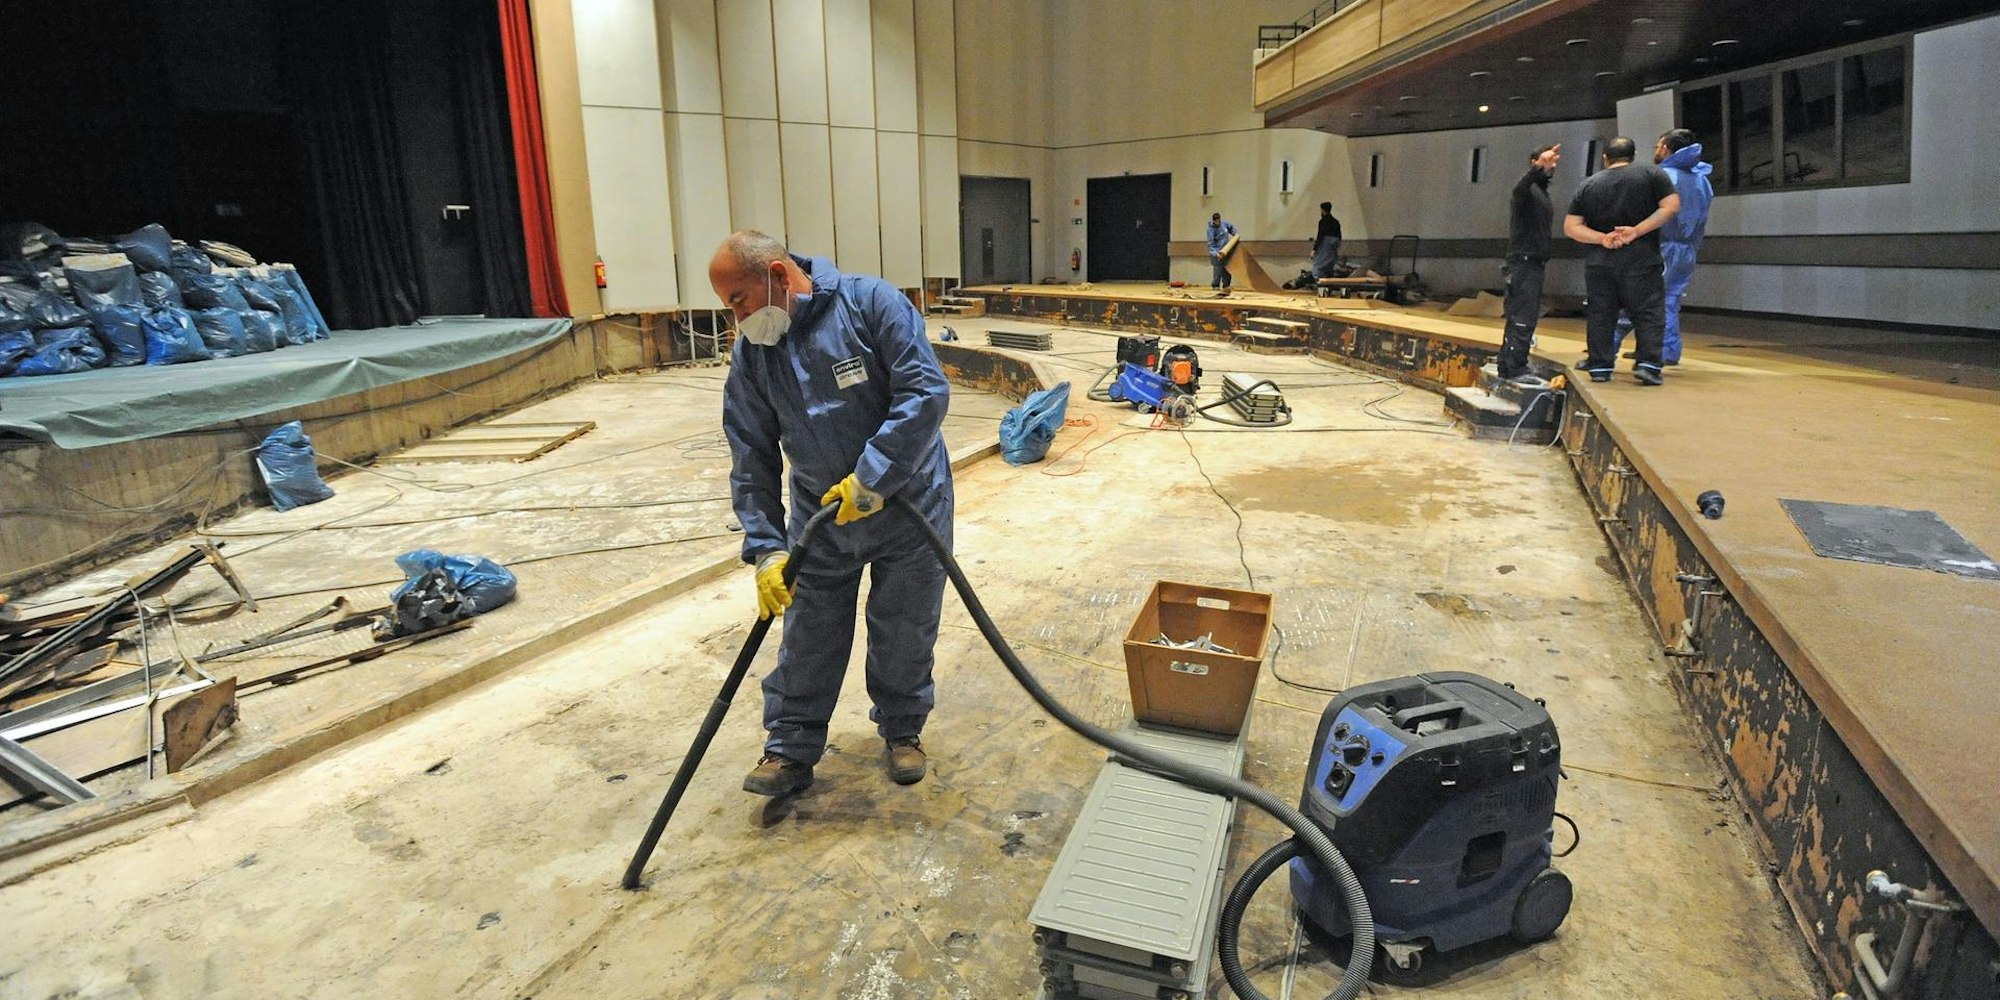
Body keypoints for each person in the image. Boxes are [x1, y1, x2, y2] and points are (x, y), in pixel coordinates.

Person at [712, 230, 955, 797]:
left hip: (908, 504)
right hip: (820, 518)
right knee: (808, 631)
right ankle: (790, 746)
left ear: (777, 274)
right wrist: (768, 548)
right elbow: (750, 454)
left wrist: (873, 476)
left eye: (738, 301)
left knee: (904, 625)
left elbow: (925, 393)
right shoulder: (755, 354)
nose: (736, 320)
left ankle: (902, 730)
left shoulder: (870, 304)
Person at [1564, 137, 1680, 385]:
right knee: (1648, 311)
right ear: (1633, 154)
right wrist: (1637, 231)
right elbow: (1671, 206)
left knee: (1601, 314)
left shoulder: (1589, 184)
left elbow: (1571, 227)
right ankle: (1648, 365)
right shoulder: (1652, 174)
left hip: (1600, 262)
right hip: (1642, 258)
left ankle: (1600, 366)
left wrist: (1602, 238)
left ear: (1605, 157)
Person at [1614, 129, 1714, 365]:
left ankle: (1607, 345)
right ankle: (1664, 350)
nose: (1656, 150)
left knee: (1637, 299)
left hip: (1661, 247)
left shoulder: (1663, 177)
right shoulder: (1701, 179)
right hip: (1687, 250)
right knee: (1669, 299)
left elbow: (1649, 213)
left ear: (1666, 149)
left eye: (1658, 146)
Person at [1496, 143, 1561, 386]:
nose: (1552, 167)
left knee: (1521, 315)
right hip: (1524, 262)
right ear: (1534, 162)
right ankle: (1515, 367)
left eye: (1554, 163)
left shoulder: (1542, 192)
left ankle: (1509, 363)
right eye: (1547, 163)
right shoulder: (1529, 189)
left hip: (1532, 262)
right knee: (1523, 316)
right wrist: (1536, 169)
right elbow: (1518, 190)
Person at [1311, 202, 1343, 280]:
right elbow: (1339, 236)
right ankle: (1329, 283)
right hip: (1334, 244)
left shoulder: (1323, 221)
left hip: (1326, 244)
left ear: (1322, 210)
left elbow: (1320, 235)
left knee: (1318, 267)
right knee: (1329, 266)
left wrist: (1314, 249)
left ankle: (1319, 284)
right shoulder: (1336, 222)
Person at [1207, 213, 1238, 292]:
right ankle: (1215, 286)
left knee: (1227, 270)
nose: (1218, 222)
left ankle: (1226, 286)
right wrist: (1216, 253)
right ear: (1214, 221)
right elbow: (1211, 244)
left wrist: (1235, 234)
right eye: (1216, 221)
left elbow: (1231, 228)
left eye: (1219, 220)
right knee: (1218, 271)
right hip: (1218, 253)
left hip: (1226, 251)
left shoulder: (1224, 224)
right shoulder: (1211, 230)